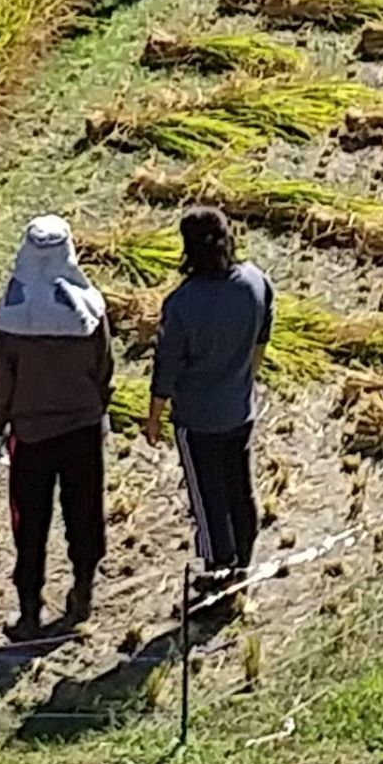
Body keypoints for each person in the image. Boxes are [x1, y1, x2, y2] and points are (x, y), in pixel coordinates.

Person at [0, 215, 114, 641]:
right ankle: (82, 593)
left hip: (32, 437)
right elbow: (104, 369)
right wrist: (98, 407)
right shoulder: (89, 307)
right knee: (84, 512)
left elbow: (1, 381)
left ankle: (29, 613)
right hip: (82, 430)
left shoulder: (12, 314)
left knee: (31, 523)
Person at [146, 206, 273, 591]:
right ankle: (243, 564)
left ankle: (219, 573)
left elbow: (165, 370)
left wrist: (154, 418)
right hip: (240, 410)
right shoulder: (254, 282)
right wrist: (244, 382)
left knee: (208, 499)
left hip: (198, 420)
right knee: (240, 488)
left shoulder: (181, 304)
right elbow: (261, 342)